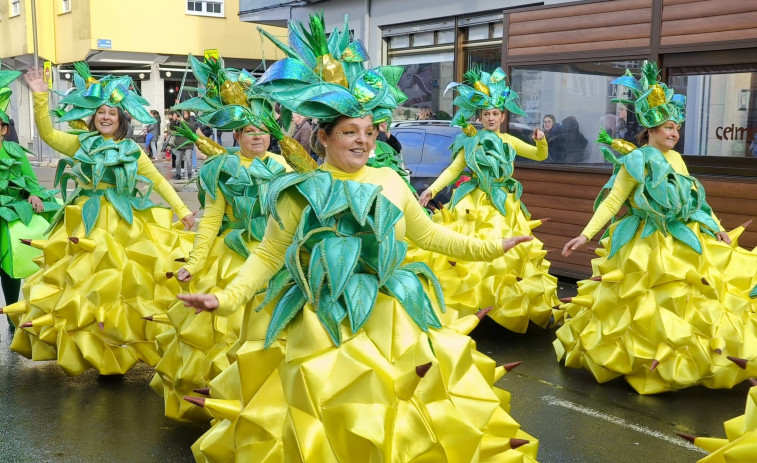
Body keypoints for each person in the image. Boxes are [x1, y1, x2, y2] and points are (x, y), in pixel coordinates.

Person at [178, 14, 540, 462]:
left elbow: (429, 235)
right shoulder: (300, 190)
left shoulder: (390, 178)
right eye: (350, 132)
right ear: (324, 137)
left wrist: (492, 247)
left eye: (369, 132)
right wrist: (227, 299)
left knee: (408, 412)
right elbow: (270, 253)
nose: (363, 141)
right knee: (325, 415)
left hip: (393, 313)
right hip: (320, 319)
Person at [557, 62, 757, 394]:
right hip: (647, 244)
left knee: (691, 302)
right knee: (648, 306)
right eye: (667, 127)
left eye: (676, 127)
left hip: (684, 236)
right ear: (650, 130)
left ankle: (690, 361)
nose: (673, 133)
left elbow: (695, 200)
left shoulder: (677, 160)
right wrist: (586, 234)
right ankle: (646, 363)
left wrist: (716, 226)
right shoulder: (635, 159)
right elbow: (613, 200)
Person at [10, 63, 196, 376]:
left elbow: (161, 182)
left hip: (123, 223)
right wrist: (40, 98)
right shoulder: (80, 143)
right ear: (93, 117)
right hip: (84, 220)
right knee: (80, 286)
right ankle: (91, 347)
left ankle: (120, 345)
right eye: (101, 112)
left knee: (124, 287)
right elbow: (48, 134)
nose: (106, 117)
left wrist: (183, 210)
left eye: (112, 112)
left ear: (121, 119)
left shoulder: (131, 151)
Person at [151, 55, 295, 421]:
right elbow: (212, 220)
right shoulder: (223, 167)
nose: (258, 136)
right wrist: (196, 262)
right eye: (249, 131)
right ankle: (220, 401)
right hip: (231, 258)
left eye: (263, 129)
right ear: (236, 135)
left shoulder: (283, 167)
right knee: (226, 332)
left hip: (276, 255)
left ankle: (267, 404)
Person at [413, 67, 559, 333]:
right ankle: (471, 306)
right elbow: (454, 169)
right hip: (474, 202)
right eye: (486, 114)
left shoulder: (510, 141)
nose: (490, 118)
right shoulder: (470, 140)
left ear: (503, 116)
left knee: (509, 257)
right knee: (470, 250)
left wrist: (541, 141)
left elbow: (539, 156)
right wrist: (432, 190)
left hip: (505, 206)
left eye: (495, 114)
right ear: (479, 117)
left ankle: (503, 307)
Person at [0, 66, 59, 329]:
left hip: (10, 215)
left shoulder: (14, 151)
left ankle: (13, 312)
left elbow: (32, 183)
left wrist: (34, 194)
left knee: (9, 265)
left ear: (3, 130)